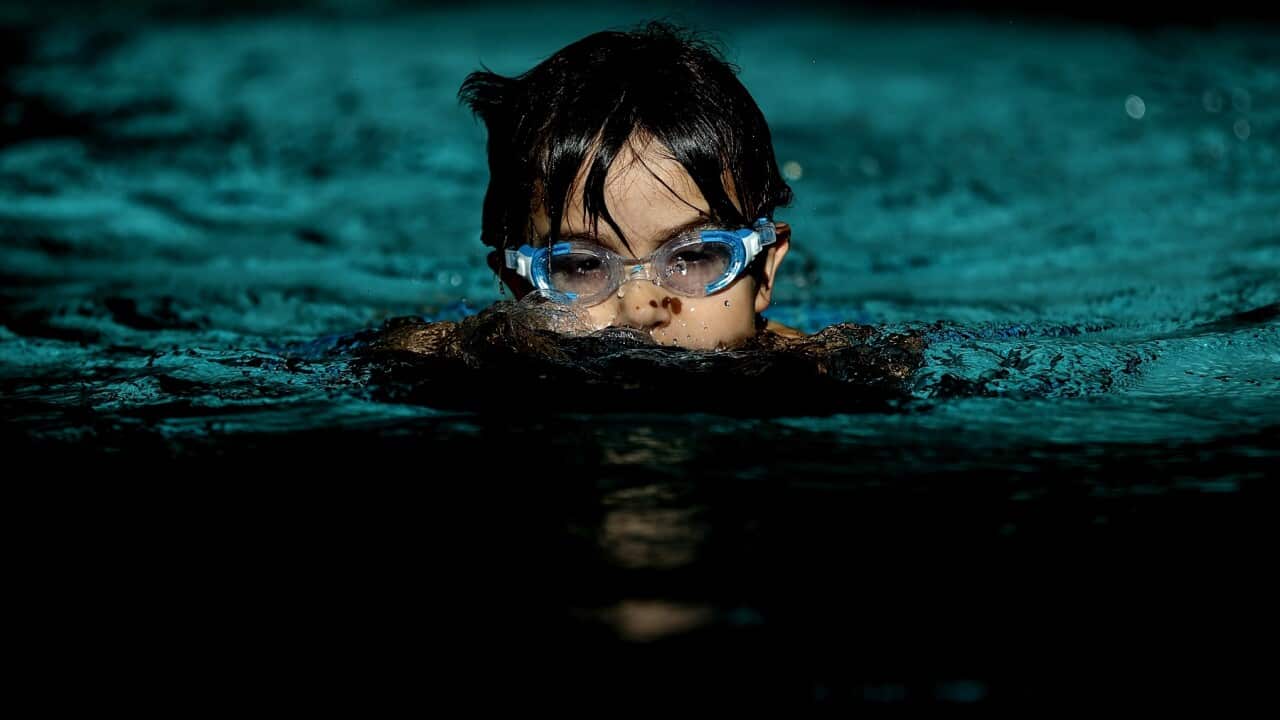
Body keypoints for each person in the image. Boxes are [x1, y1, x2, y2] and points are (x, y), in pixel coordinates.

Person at [456, 20, 804, 350]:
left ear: (764, 272)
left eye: (693, 257)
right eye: (583, 266)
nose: (640, 310)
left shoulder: (809, 376)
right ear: (520, 287)